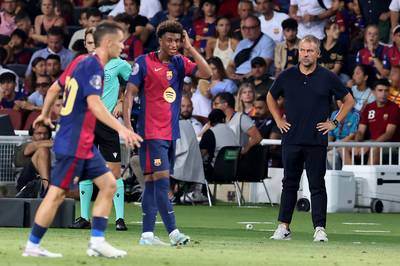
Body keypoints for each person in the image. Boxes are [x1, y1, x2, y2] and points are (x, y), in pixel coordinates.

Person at [22, 21, 142, 258]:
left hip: (83, 142)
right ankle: (33, 245)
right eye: (119, 42)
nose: (122, 46)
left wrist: (45, 114)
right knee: (56, 194)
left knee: (108, 184)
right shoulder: (94, 66)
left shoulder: (79, 62)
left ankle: (97, 241)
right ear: (108, 43)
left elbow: (56, 88)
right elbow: (94, 104)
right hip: (74, 141)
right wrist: (122, 129)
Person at [123, 20, 212, 246]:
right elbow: (129, 94)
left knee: (153, 183)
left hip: (171, 133)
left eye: (177, 40)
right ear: (160, 41)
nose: (174, 44)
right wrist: (127, 126)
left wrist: (190, 48)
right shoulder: (144, 62)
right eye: (170, 40)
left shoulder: (180, 62)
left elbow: (207, 73)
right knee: (162, 182)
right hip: (151, 133)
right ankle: (173, 232)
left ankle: (147, 235)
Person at [267, 35, 354, 242]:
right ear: (299, 52)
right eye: (303, 50)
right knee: (289, 183)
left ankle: (320, 228)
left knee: (317, 184)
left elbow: (349, 100)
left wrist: (334, 123)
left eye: (310, 51)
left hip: (316, 139)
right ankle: (283, 227)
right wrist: (278, 119)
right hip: (292, 138)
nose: (305, 54)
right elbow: (271, 96)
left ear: (317, 53)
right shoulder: (287, 75)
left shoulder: (328, 76)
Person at [70, 25, 133, 231]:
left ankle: (120, 219)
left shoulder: (117, 64)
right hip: (86, 123)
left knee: (113, 170)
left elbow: (133, 84)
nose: (91, 47)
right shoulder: (81, 64)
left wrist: (120, 100)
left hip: (107, 123)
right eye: (88, 43)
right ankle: (83, 218)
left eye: (93, 42)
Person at [344, 79, 400, 165]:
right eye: (380, 90)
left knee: (374, 148)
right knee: (344, 147)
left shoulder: (394, 108)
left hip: (391, 144)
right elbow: (360, 131)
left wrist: (371, 145)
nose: (383, 94)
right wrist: (358, 143)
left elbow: (389, 134)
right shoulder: (369, 107)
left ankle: (369, 178)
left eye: (386, 91)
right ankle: (351, 175)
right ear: (374, 92)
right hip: (373, 141)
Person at [227, 15, 275, 81]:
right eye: (245, 28)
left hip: (253, 78)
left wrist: (244, 77)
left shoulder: (268, 42)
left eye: (251, 28)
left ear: (259, 28)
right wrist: (231, 74)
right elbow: (231, 64)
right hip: (236, 76)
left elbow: (263, 66)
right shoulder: (242, 43)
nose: (247, 31)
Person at [16, 125, 53, 197]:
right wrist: (59, 143)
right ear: (32, 135)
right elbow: (28, 150)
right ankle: (47, 190)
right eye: (38, 133)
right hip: (26, 184)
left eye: (45, 133)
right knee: (43, 150)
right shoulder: (26, 145)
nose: (42, 136)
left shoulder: (53, 149)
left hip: (48, 181)